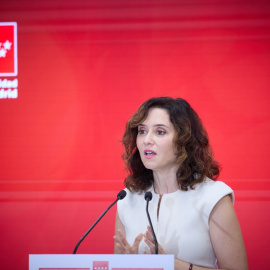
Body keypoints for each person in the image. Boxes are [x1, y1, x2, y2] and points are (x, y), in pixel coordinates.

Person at [113, 97, 248, 270]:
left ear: (183, 141)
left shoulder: (213, 198)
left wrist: (172, 265)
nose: (147, 139)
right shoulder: (127, 199)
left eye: (160, 132)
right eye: (142, 131)